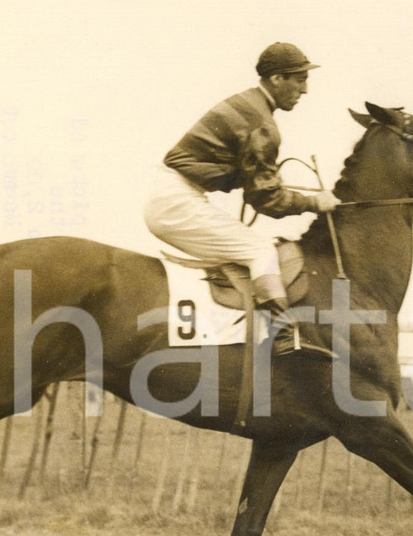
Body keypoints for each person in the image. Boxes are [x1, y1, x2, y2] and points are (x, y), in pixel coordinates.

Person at [144, 42, 340, 356]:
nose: (305, 90)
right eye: (299, 79)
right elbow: (268, 202)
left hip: (172, 195)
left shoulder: (248, 104)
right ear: (276, 79)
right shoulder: (261, 123)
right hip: (176, 201)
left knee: (244, 252)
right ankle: (283, 335)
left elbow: (254, 184)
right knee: (260, 250)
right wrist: (315, 203)